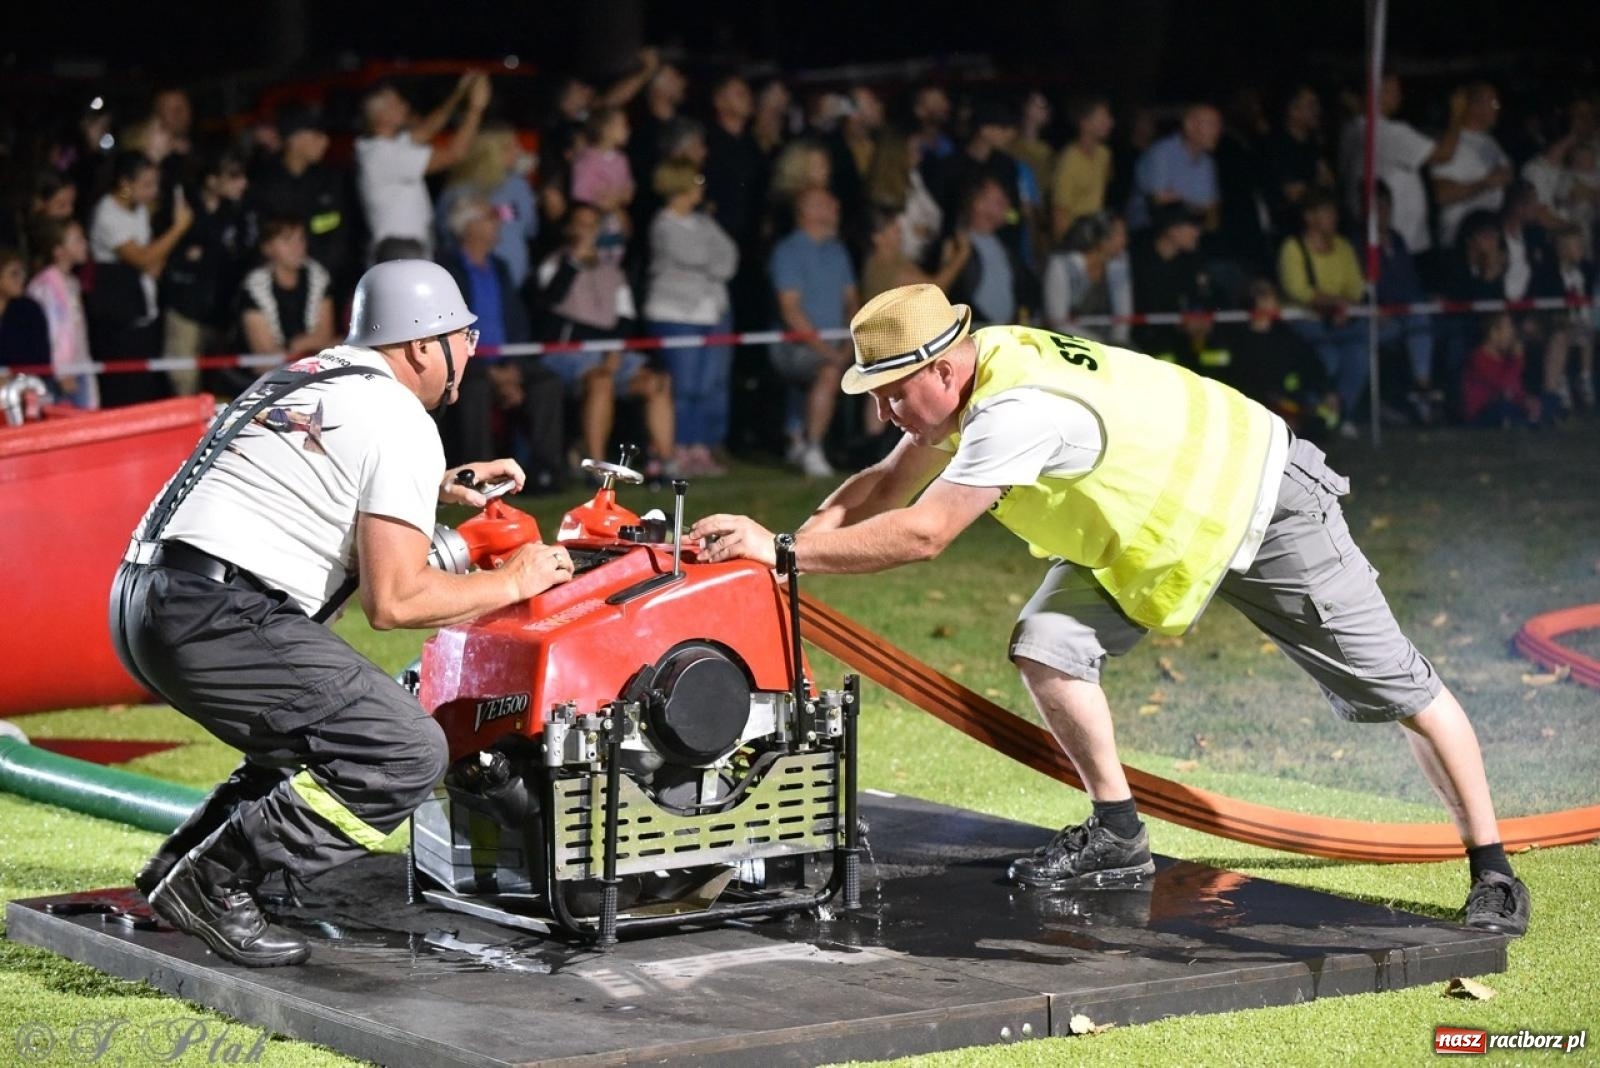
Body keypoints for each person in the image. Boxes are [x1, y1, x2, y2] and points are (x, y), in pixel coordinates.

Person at [690, 283, 1532, 939]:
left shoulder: (1016, 409)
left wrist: (786, 552)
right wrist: (780, 546)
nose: (884, 412)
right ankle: (1118, 834)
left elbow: (923, 532)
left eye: (892, 394)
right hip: (1157, 533)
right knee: (1046, 643)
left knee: (1400, 688)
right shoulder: (979, 362)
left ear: (944, 371)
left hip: (1261, 506)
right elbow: (885, 483)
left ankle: (1494, 870)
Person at [110, 259, 575, 968]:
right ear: (422, 345)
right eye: (464, 333)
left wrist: (432, 487)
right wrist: (514, 579)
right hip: (216, 613)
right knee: (404, 750)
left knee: (317, 729)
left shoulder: (307, 375)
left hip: (147, 597)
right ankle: (216, 880)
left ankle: (180, 866)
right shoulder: (399, 416)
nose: (473, 350)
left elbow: (314, 481)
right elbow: (395, 601)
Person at [437, 195, 564, 491]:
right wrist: (491, 371)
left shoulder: (500, 267)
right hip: (466, 362)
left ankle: (545, 473)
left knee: (547, 384)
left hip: (507, 361)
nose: (497, 224)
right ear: (468, 227)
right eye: (489, 217)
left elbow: (518, 323)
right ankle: (478, 476)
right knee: (476, 388)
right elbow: (450, 327)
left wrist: (513, 369)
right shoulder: (447, 268)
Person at [643, 159, 739, 476]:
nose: (701, 186)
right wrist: (708, 264)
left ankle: (699, 448)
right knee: (682, 386)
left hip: (709, 313)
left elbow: (728, 256)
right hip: (676, 314)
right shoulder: (662, 224)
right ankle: (677, 448)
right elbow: (692, 256)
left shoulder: (704, 223)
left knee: (705, 385)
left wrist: (707, 265)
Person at [87, 150, 192, 406]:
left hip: (145, 312)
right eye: (146, 184)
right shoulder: (108, 214)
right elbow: (143, 259)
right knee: (127, 393)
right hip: (118, 322)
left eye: (155, 184)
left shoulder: (139, 209)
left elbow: (152, 261)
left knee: (149, 389)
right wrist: (178, 228)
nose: (153, 191)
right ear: (125, 183)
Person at [768, 187, 858, 477]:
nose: (835, 206)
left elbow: (851, 301)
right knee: (829, 371)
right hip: (795, 346)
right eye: (825, 203)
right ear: (805, 212)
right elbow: (790, 310)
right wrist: (830, 353)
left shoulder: (838, 251)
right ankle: (813, 448)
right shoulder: (788, 252)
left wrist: (848, 342)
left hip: (835, 344)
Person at [356, 73, 491, 255]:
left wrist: (459, 94)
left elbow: (429, 128)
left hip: (407, 246)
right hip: (399, 249)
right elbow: (453, 154)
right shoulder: (383, 155)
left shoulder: (386, 145)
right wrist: (476, 108)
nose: (404, 106)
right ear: (379, 115)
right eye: (395, 104)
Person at [1277, 189, 1367, 431]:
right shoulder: (1293, 248)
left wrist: (1343, 308)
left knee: (1358, 354)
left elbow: (1355, 288)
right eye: (1326, 213)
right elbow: (1298, 290)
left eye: (1333, 212)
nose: (1333, 218)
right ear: (1309, 217)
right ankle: (1314, 415)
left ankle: (1342, 415)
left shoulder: (1343, 247)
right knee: (1328, 357)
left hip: (1341, 321)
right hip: (1303, 322)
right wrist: (1334, 304)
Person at [162, 151, 251, 396]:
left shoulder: (236, 212)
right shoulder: (181, 210)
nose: (242, 182)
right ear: (211, 180)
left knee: (217, 383)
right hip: (185, 310)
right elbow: (167, 258)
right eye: (233, 176)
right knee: (185, 382)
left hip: (220, 314)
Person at [246, 107, 358, 300]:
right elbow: (258, 243)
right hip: (282, 293)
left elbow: (345, 232)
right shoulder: (263, 185)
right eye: (316, 135)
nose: (325, 141)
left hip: (332, 287)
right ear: (294, 139)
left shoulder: (333, 179)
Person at [434, 123, 538, 288]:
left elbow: (529, 227)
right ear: (493, 152)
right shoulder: (459, 189)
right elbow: (446, 230)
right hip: (466, 276)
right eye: (510, 147)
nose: (518, 152)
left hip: (506, 280)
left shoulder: (517, 185)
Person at [237, 217, 337, 360]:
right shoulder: (253, 290)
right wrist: (304, 345)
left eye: (301, 239)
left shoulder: (319, 278)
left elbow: (325, 336)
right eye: (287, 240)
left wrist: (293, 347)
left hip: (313, 368)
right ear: (267, 248)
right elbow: (265, 356)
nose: (297, 247)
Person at [25, 217, 98, 408]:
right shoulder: (46, 286)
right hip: (64, 373)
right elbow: (54, 330)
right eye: (77, 240)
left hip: (79, 366)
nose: (85, 244)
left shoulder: (72, 282)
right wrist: (62, 371)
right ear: (58, 251)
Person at [1461, 312, 1542, 427]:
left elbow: (1515, 390)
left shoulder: (1507, 358)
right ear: (1494, 333)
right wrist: (1517, 360)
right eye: (1508, 329)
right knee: (1504, 408)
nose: (1512, 335)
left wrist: (1526, 400)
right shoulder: (1478, 359)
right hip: (1482, 414)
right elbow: (1504, 387)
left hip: (1506, 407)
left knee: (1537, 404)